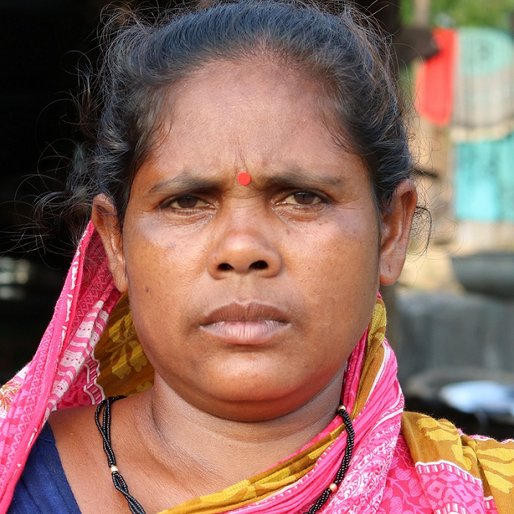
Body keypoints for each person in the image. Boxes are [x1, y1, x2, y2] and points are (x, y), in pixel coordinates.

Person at [1, 1, 513, 513]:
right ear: (116, 243)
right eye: (187, 201)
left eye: (302, 197)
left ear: (390, 233)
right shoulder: (16, 473)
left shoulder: (487, 493)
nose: (242, 249)